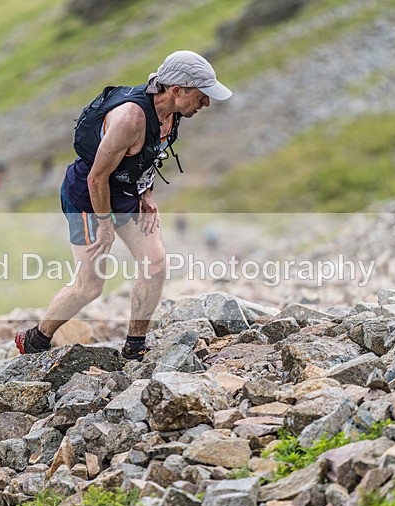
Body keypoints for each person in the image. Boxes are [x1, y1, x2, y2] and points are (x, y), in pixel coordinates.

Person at [15, 50, 232, 361]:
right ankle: (36, 338)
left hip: (126, 193)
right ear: (176, 90)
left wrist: (146, 192)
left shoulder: (172, 114)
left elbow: (148, 155)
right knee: (90, 286)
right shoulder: (130, 119)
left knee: (155, 263)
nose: (206, 103)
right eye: (201, 95)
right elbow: (97, 177)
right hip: (87, 196)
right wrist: (104, 225)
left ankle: (134, 346)